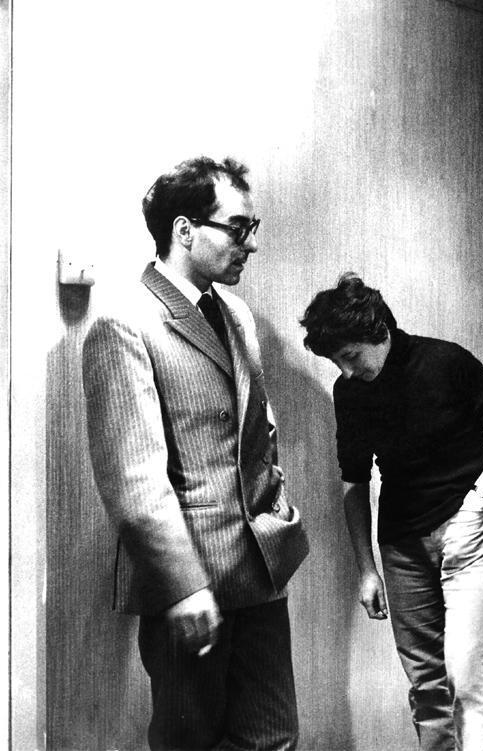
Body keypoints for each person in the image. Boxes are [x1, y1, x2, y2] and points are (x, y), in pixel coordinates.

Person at [82, 156, 310, 750]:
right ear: (184, 230)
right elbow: (134, 480)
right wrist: (183, 585)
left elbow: (259, 434)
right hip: (190, 579)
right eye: (238, 228)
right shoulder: (125, 322)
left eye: (252, 228)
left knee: (274, 737)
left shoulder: (235, 315)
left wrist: (277, 515)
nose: (251, 244)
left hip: (258, 568)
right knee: (191, 742)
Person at [300, 274, 483, 751]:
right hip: (402, 543)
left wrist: (478, 502)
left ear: (379, 330)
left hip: (472, 531)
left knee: (467, 675)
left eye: (351, 356)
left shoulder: (446, 361)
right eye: (336, 362)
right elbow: (354, 481)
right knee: (427, 684)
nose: (347, 371)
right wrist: (367, 570)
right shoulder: (350, 392)